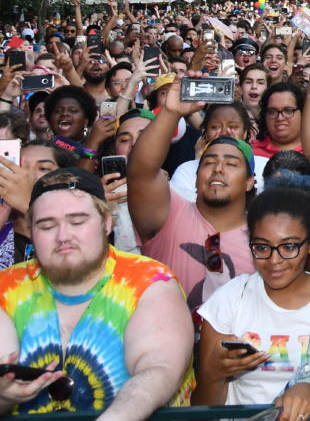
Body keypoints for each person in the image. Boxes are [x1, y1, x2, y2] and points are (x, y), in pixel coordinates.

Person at [0, 168, 193, 415]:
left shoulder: (149, 280)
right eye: (47, 226)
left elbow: (158, 371)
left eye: (77, 222)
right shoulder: (6, 285)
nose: (63, 236)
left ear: (106, 222)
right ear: (31, 231)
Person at [195, 186, 310, 421]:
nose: (274, 260)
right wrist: (213, 375)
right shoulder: (230, 298)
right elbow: (201, 410)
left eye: (289, 247)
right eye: (262, 247)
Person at [130, 77, 256, 315]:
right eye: (209, 162)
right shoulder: (170, 215)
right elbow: (141, 171)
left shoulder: (263, 238)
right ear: (196, 176)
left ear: (250, 181)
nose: (218, 169)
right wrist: (171, 112)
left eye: (231, 164)